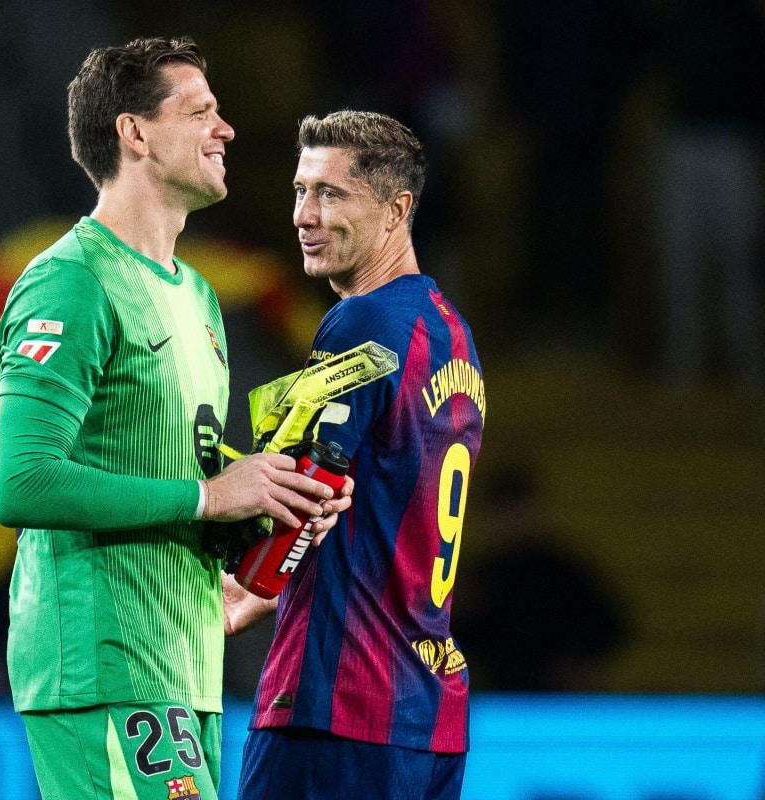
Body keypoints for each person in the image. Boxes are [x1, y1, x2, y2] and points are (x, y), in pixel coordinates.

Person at [0, 37, 349, 800]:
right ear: (135, 133)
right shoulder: (71, 283)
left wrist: (274, 503)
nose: (226, 129)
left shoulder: (197, 296)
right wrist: (211, 497)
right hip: (103, 661)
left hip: (182, 660)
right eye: (200, 112)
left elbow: (180, 471)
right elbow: (21, 482)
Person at [224, 110, 485, 799]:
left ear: (397, 210)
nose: (303, 215)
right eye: (300, 190)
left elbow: (306, 481)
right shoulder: (453, 335)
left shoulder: (362, 321)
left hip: (339, 704)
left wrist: (243, 583)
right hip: (429, 710)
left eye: (330, 193)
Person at [450, 463, 626, 692]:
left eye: (516, 512)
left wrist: (577, 664)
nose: (509, 523)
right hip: (501, 697)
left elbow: (610, 626)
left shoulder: (562, 573)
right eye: (501, 514)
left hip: (560, 700)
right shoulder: (480, 577)